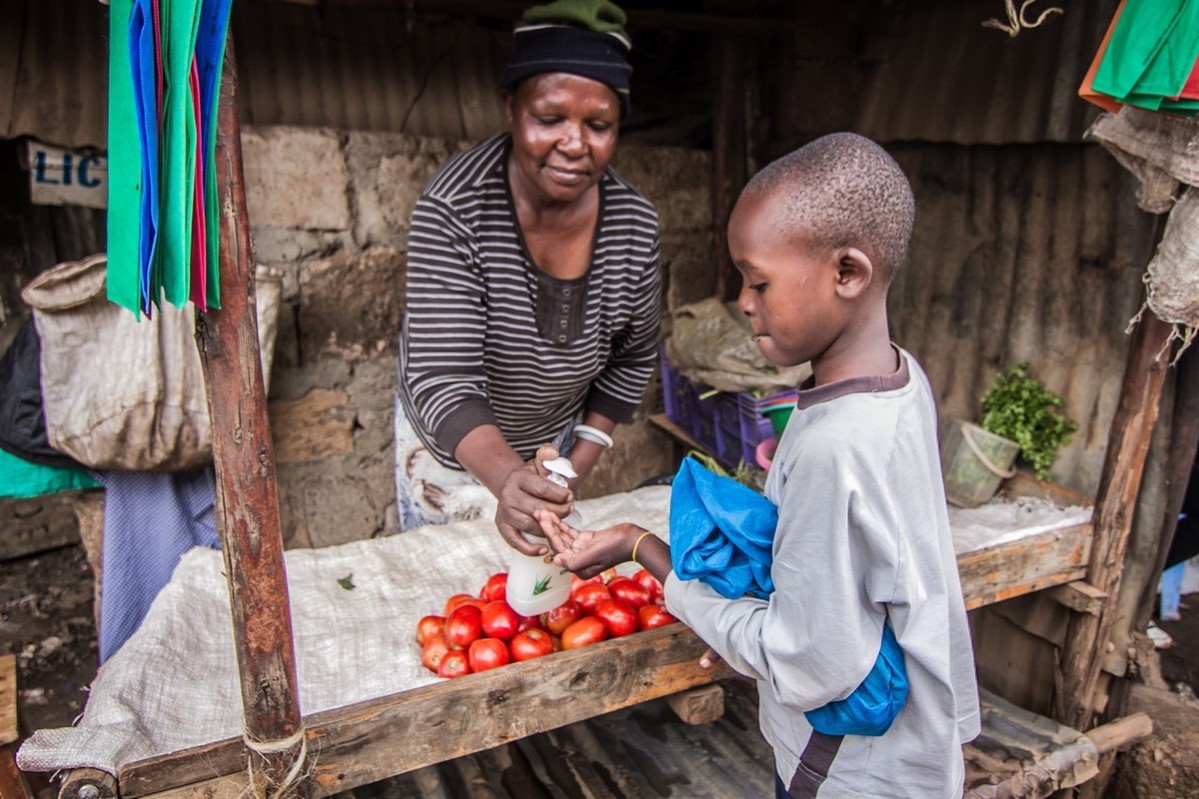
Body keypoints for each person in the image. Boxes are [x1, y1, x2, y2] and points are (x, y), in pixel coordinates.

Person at [537, 133, 980, 798]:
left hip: (847, 772)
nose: (743, 301)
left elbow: (804, 660)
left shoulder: (836, 446)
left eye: (758, 280)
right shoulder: (898, 375)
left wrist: (641, 548)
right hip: (905, 749)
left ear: (848, 273)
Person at [394, 0, 662, 550]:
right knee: (451, 591)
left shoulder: (634, 224)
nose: (574, 143)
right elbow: (443, 378)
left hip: (550, 447)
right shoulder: (456, 208)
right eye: (549, 118)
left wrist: (573, 468)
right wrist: (502, 479)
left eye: (599, 125)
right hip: (451, 451)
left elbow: (632, 357)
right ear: (511, 108)